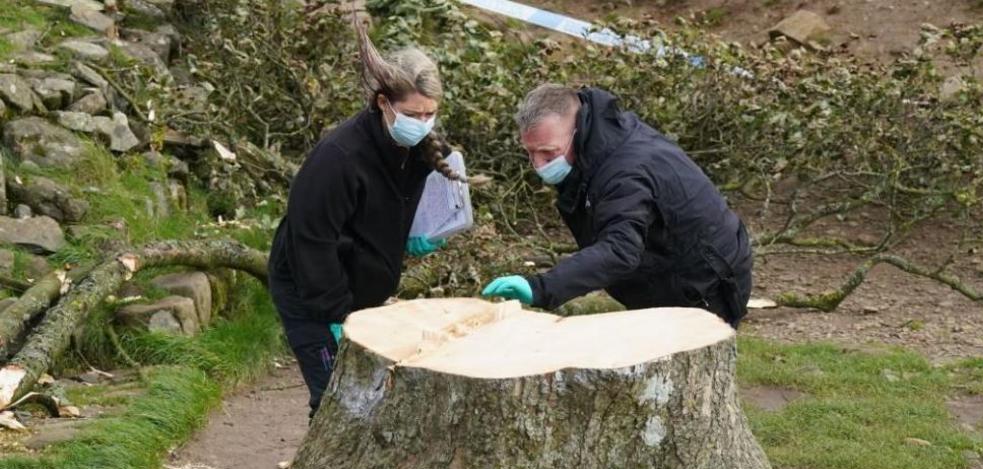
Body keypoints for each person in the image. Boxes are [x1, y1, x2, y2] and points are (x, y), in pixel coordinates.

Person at [268, 41, 462, 418]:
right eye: (412, 114)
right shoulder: (338, 159)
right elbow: (312, 243)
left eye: (430, 114)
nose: (422, 124)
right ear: (382, 103)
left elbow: (395, 203)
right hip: (310, 288)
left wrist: (414, 231)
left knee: (375, 397)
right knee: (335, 402)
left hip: (363, 284)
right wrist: (336, 317)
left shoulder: (416, 149)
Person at [481, 84, 753, 327]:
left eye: (549, 153)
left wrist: (541, 287)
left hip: (705, 283)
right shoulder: (599, 140)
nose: (539, 165)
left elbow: (620, 250)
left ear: (576, 131)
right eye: (530, 152)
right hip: (661, 270)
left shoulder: (625, 174)